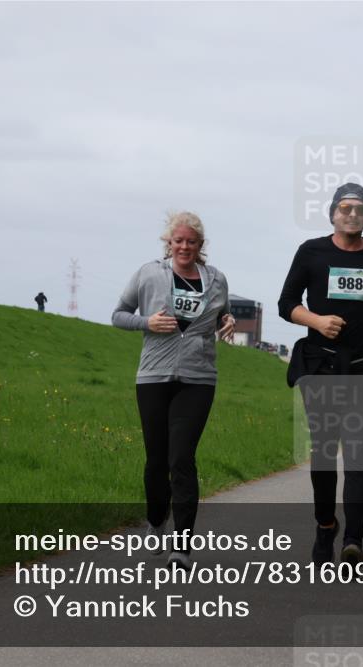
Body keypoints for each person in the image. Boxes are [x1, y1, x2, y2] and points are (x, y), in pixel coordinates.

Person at [279, 182, 363, 566]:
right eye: (345, 208)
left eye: (360, 209)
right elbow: (287, 303)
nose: (352, 214)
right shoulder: (311, 252)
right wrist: (315, 320)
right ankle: (325, 525)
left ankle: (354, 540)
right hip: (320, 364)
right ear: (333, 212)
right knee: (322, 453)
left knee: (356, 453)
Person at [112, 211, 236, 571]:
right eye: (178, 241)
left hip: (198, 378)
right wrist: (147, 322)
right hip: (153, 376)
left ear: (201, 246)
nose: (184, 246)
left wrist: (227, 321)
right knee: (156, 459)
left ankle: (182, 545)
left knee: (182, 458)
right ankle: (155, 520)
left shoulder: (217, 280)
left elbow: (222, 315)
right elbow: (118, 314)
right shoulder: (149, 274)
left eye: (191, 241)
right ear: (169, 243)